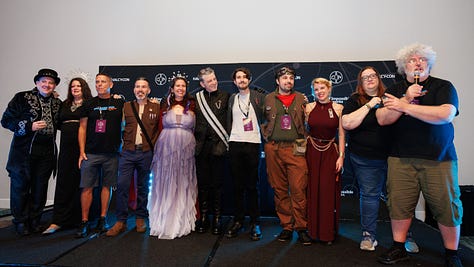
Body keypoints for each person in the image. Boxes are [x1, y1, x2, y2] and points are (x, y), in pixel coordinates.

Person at [376, 43, 463, 267]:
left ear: (429, 64)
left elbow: (445, 114)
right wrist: (405, 98)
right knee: (399, 204)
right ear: (403, 66)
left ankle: (452, 253)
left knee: (447, 206)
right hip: (400, 159)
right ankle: (398, 247)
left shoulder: (443, 87)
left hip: (439, 158)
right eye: (412, 60)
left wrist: (404, 107)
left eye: (422, 59)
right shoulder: (395, 90)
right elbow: (383, 119)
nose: (417, 63)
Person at [1, 68, 62, 236]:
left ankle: (35, 220)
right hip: (23, 152)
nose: (47, 85)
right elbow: (6, 120)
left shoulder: (57, 102)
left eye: (51, 82)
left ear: (54, 85)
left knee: (40, 188)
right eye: (44, 81)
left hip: (47, 152)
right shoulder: (22, 97)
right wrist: (29, 126)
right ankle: (20, 222)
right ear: (37, 82)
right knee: (20, 187)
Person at [261, 66, 311, 245]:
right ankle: (287, 227)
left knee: (298, 189)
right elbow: (260, 119)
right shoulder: (268, 98)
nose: (288, 81)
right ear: (277, 81)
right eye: (284, 78)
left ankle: (301, 227)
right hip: (273, 148)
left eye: (291, 78)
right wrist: (266, 135)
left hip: (296, 147)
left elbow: (309, 121)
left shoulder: (301, 99)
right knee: (279, 189)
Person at [106, 77, 160, 237]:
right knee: (122, 186)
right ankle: (120, 221)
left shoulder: (156, 107)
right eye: (137, 87)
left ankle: (140, 218)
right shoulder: (126, 106)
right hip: (128, 152)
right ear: (134, 89)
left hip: (146, 152)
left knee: (143, 187)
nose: (140, 90)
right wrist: (113, 98)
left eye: (144, 87)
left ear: (149, 90)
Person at [341, 67, 387, 250]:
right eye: (364, 77)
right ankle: (369, 235)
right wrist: (370, 104)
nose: (369, 79)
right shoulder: (354, 100)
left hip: (394, 157)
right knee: (369, 196)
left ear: (378, 78)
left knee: (400, 198)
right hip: (364, 158)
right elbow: (347, 123)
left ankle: (405, 235)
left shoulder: (391, 97)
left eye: (372, 76)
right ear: (360, 82)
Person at [148, 76, 197, 239]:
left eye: (183, 86)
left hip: (186, 151)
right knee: (166, 181)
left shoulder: (193, 104)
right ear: (172, 88)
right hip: (166, 149)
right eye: (178, 86)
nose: (180, 88)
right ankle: (164, 219)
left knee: (183, 182)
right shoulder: (163, 104)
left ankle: (181, 219)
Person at [76, 73, 125, 238]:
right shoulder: (88, 103)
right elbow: (82, 128)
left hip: (111, 153)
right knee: (87, 187)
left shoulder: (119, 102)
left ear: (111, 84)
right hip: (90, 153)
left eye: (103, 82)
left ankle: (103, 219)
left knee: (107, 186)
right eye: (97, 82)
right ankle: (84, 221)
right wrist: (81, 151)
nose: (99, 84)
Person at [43, 77, 93, 235]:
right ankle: (58, 221)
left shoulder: (90, 104)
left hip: (83, 149)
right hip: (65, 149)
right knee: (64, 183)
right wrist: (53, 97)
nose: (75, 88)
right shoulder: (63, 104)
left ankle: (80, 220)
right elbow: (54, 119)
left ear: (84, 88)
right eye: (73, 86)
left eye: (78, 86)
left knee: (81, 184)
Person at [225, 67, 265, 241]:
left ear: (249, 79)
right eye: (238, 78)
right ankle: (238, 220)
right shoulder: (232, 98)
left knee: (252, 186)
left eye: (244, 77)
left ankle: (255, 222)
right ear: (234, 82)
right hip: (234, 143)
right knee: (237, 186)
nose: (241, 80)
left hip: (253, 144)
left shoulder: (259, 97)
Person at [305, 77, 345, 245]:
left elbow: (342, 134)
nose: (319, 92)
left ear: (329, 89)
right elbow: (304, 131)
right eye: (316, 89)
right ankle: (312, 231)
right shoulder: (308, 107)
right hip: (311, 151)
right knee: (312, 190)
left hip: (330, 152)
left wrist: (341, 156)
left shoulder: (339, 108)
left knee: (328, 192)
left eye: (322, 88)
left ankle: (328, 233)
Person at [194, 67, 230, 235]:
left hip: (219, 147)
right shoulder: (196, 99)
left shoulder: (226, 96)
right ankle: (204, 217)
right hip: (201, 149)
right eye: (209, 81)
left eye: (214, 79)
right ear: (202, 84)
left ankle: (217, 218)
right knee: (203, 185)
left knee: (217, 184)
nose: (214, 82)